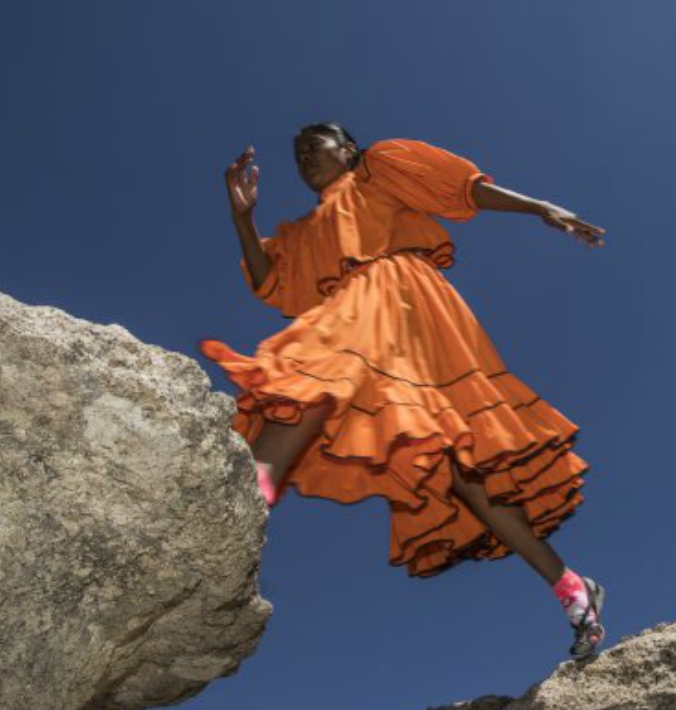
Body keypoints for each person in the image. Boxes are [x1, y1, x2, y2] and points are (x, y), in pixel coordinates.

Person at [197, 124, 608, 660]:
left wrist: (537, 207)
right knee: (432, 457)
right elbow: (272, 283)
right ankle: (573, 588)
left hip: (408, 305)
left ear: (348, 149)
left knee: (343, 390)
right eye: (296, 156)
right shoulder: (308, 227)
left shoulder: (379, 168)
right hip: (356, 312)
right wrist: (242, 219)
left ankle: (249, 494)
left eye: (313, 147)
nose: (303, 159)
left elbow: (461, 186)